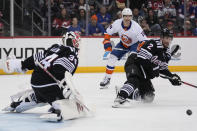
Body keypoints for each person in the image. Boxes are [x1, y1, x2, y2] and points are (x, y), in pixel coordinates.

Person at [2, 32, 87, 121]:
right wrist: (65, 87)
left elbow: (36, 57)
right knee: (62, 96)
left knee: (42, 95)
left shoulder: (55, 47)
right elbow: (60, 69)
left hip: (35, 79)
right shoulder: (72, 55)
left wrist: (23, 65)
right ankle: (57, 110)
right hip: (48, 82)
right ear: (74, 42)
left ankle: (18, 104)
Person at [112, 28, 182, 107]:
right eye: (166, 38)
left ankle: (124, 90)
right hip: (134, 62)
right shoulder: (153, 43)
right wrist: (154, 68)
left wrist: (172, 77)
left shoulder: (167, 53)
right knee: (134, 80)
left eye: (170, 39)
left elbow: (163, 69)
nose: (168, 41)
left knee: (148, 97)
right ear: (161, 37)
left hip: (144, 71)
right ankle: (120, 98)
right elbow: (142, 58)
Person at [100, 8, 147, 89]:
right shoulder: (117, 23)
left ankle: (138, 80)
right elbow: (107, 33)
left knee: (133, 62)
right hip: (122, 44)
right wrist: (106, 41)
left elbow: (144, 41)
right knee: (112, 58)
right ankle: (107, 79)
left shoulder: (136, 27)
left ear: (131, 17)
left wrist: (139, 48)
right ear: (122, 16)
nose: (127, 18)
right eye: (125, 16)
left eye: (129, 16)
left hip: (134, 45)